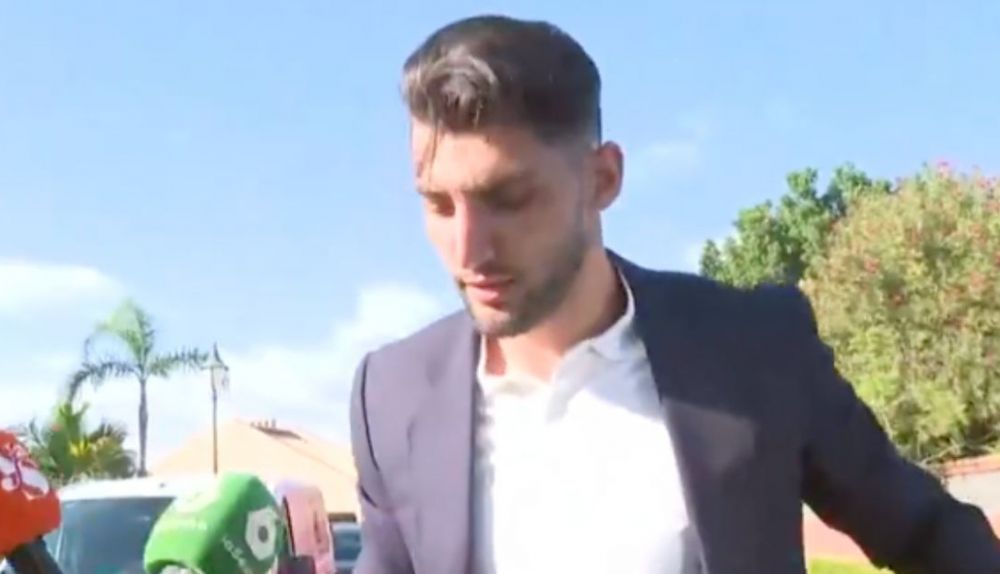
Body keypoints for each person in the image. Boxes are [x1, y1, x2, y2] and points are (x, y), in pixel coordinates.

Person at [348, 14, 1000, 574]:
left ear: (603, 179)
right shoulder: (391, 398)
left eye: (509, 199)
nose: (467, 249)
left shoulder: (753, 350)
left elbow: (927, 534)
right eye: (438, 205)